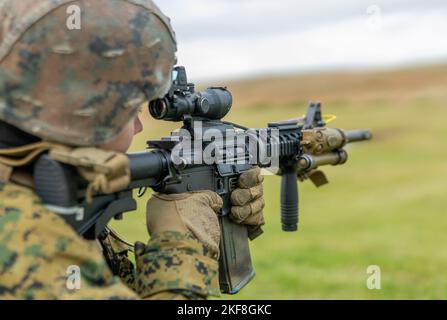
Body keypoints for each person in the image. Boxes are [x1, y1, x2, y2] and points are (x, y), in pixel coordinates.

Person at [0, 0, 265, 299]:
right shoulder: (27, 248)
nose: (139, 128)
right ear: (91, 115)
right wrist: (180, 244)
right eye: (133, 110)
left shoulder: (35, 198)